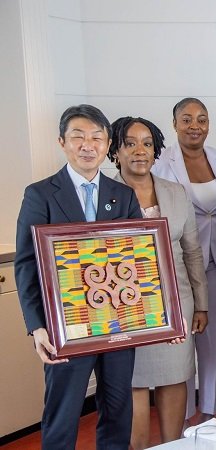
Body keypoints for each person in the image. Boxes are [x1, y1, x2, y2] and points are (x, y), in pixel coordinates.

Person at [15, 104, 142, 449]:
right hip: (63, 326)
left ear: (107, 145)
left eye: (97, 137)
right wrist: (37, 326)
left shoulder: (124, 195)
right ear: (62, 142)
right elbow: (26, 263)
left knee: (118, 408)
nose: (88, 145)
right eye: (78, 137)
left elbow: (137, 258)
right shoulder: (40, 194)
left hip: (117, 324)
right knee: (63, 411)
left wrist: (160, 317)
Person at [108, 117, 209, 448]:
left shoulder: (176, 193)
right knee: (131, 398)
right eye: (130, 143)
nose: (140, 151)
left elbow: (192, 253)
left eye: (147, 143)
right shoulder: (102, 194)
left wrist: (201, 304)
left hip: (176, 308)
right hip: (123, 313)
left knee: (174, 385)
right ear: (116, 151)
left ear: (156, 151)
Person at [150, 97, 216, 421]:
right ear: (174, 124)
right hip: (178, 265)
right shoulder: (160, 162)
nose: (194, 126)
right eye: (186, 119)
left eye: (201, 119)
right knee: (181, 341)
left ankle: (210, 410)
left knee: (213, 341)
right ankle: (181, 415)